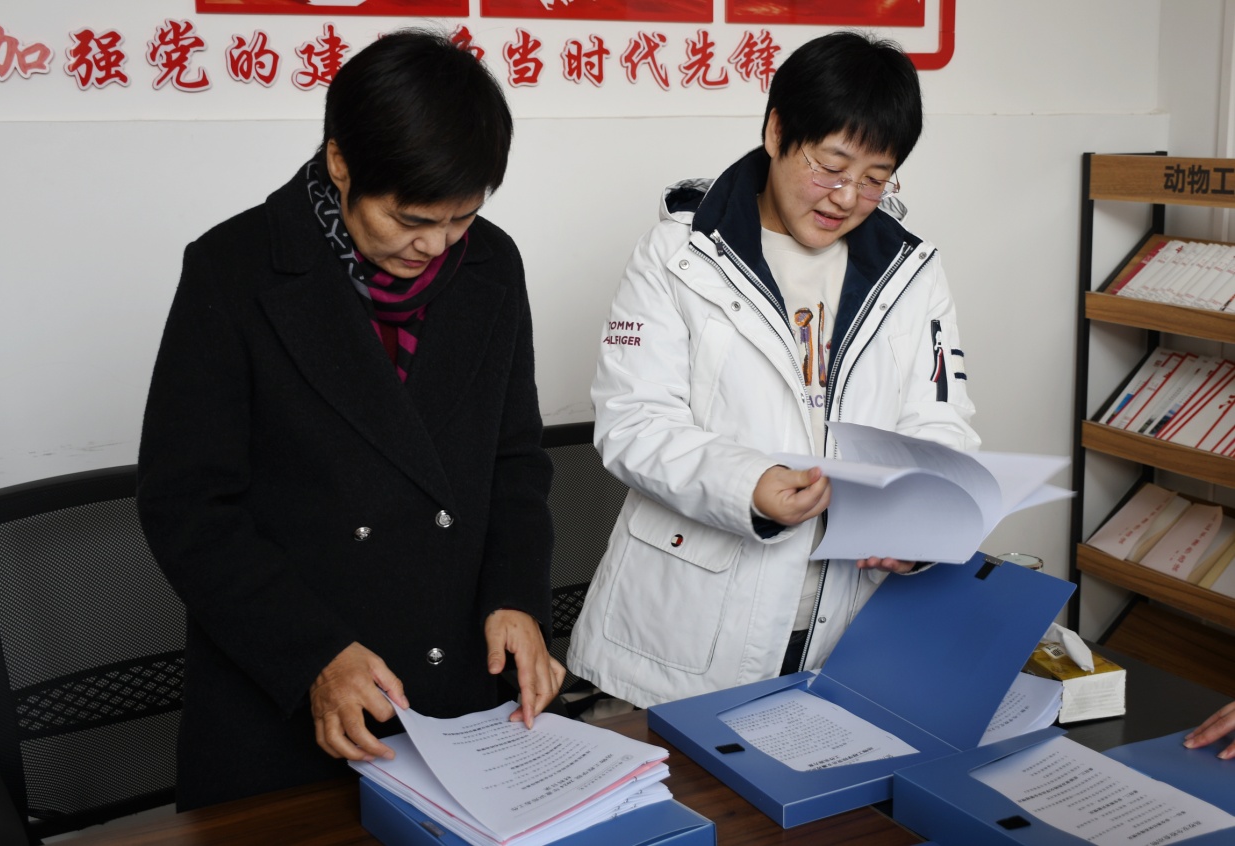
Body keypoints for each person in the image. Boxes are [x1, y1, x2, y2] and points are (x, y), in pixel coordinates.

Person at [137, 29, 563, 809]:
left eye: (461, 218)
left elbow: (514, 459)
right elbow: (189, 506)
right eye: (410, 218)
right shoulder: (234, 269)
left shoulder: (491, 264)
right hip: (284, 694)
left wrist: (517, 597)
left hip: (453, 687)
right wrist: (312, 655)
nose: (434, 245)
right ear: (340, 163)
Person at [567, 31, 979, 709]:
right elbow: (633, 423)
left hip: (845, 625)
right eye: (831, 166)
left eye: (874, 179)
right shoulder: (678, 255)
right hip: (682, 633)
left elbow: (941, 423)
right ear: (777, 131)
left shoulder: (911, 272)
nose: (845, 197)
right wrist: (747, 484)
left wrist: (921, 522)